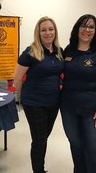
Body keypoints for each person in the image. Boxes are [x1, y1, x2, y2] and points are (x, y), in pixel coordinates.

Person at [61, 14, 96, 173]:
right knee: (76, 146)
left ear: (95, 31)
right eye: (83, 26)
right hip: (70, 109)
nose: (87, 30)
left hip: (95, 111)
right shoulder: (69, 50)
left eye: (91, 27)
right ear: (77, 29)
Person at [13, 16, 64, 173]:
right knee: (39, 139)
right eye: (43, 30)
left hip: (53, 102)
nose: (47, 33)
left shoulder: (59, 52)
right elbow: (17, 77)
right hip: (34, 102)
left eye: (50, 29)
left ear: (55, 31)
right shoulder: (30, 52)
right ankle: (38, 170)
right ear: (38, 33)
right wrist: (20, 98)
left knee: (44, 136)